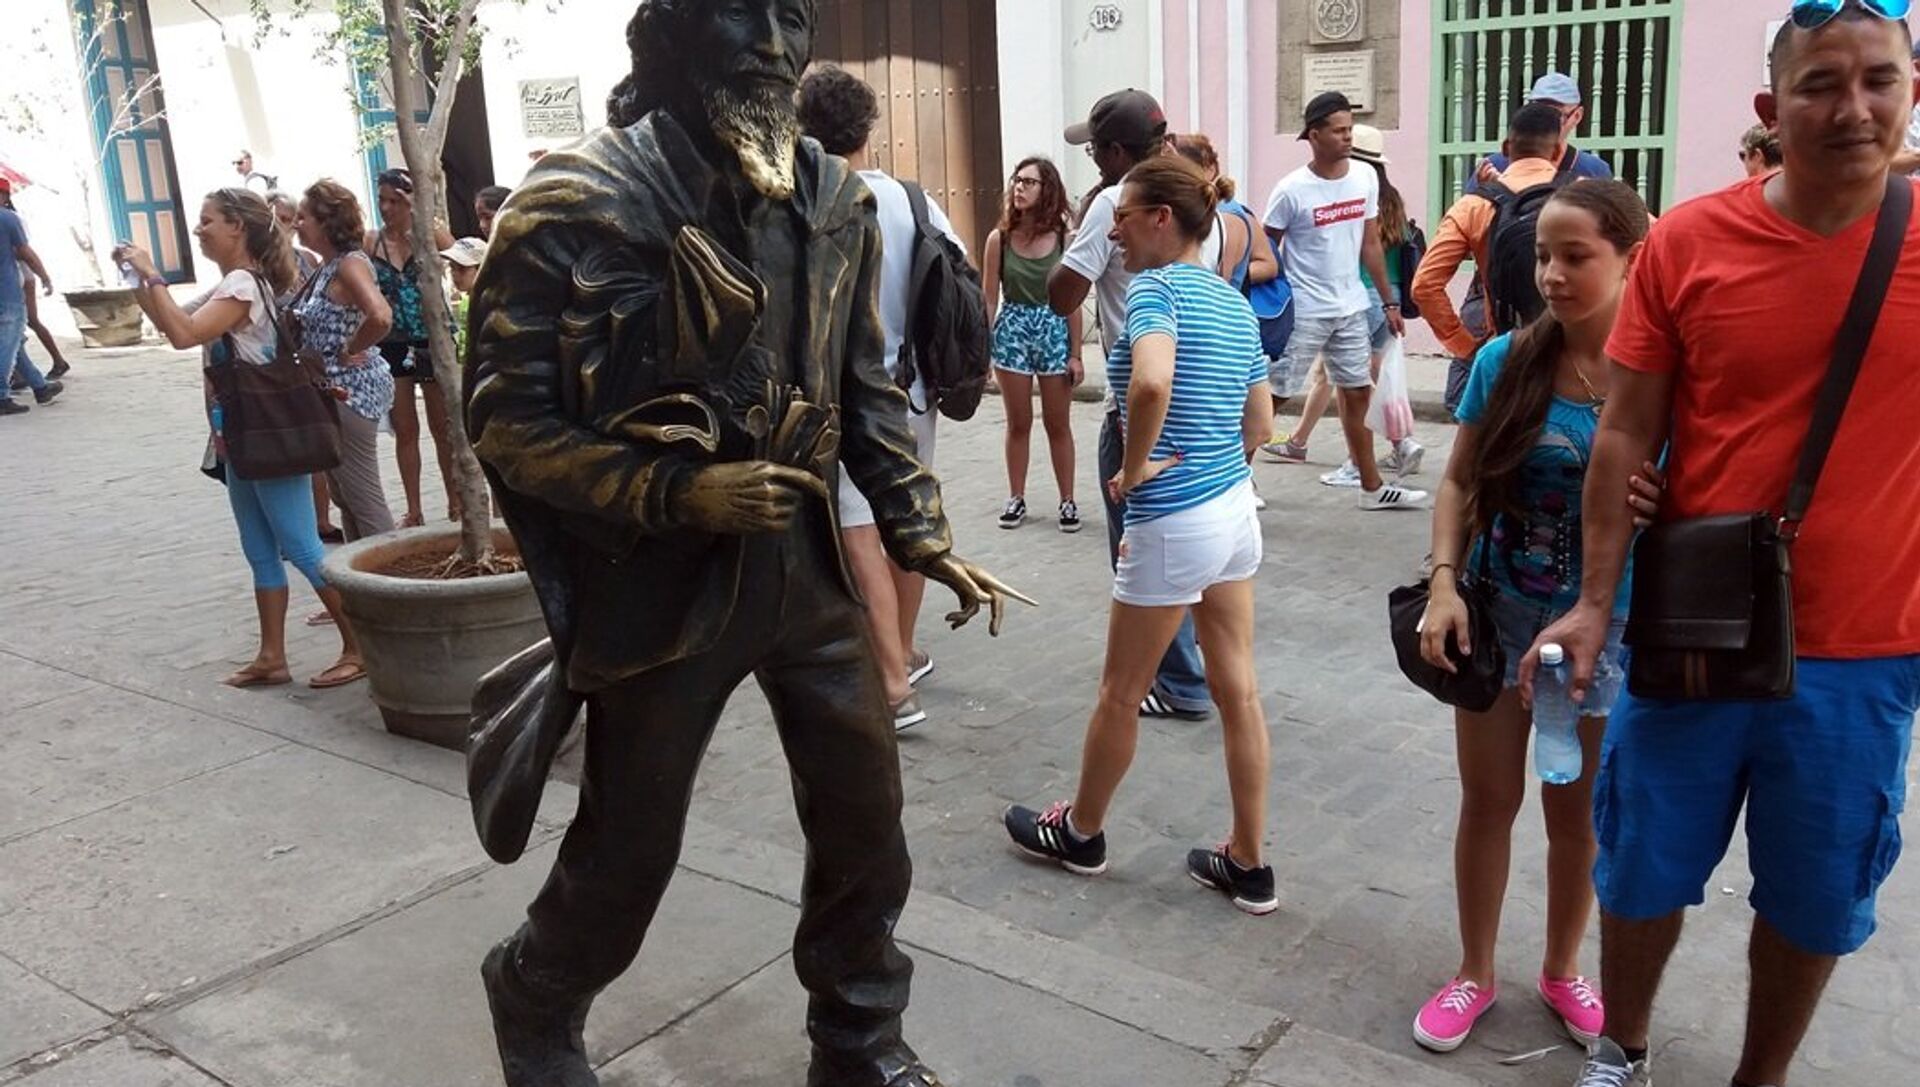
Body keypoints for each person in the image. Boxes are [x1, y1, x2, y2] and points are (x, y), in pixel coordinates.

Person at [465, 3, 1029, 1084]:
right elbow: (506, 419)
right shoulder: (579, 200)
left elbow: (863, 387)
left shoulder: (834, 198)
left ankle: (859, 1039)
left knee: (866, 818)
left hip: (808, 573)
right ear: (673, 32)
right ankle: (533, 994)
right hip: (664, 586)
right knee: (630, 849)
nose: (772, 43)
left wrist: (919, 532)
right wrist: (677, 489)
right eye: (739, 11)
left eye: (790, 16)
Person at [1523, 9, 1920, 1086]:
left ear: (1912, 90)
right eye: (1821, 84)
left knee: (1815, 893)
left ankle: (1761, 1077)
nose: (1853, 108)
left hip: (1865, 650)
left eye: (1879, 80)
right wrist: (1593, 602)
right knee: (1641, 863)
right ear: (1771, 108)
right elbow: (1624, 432)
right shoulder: (1690, 242)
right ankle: (1623, 1046)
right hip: (1694, 624)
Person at [1413, 180, 1651, 1056]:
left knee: (1576, 817)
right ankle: (1474, 970)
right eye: (1544, 256)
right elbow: (1457, 481)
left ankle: (1561, 968)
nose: (1552, 274)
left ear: (1632, 259)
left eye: (1575, 256)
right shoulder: (1504, 361)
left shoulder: (1661, 376)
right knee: (1488, 800)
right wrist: (1444, 584)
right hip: (1496, 614)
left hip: (1604, 633)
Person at [1004, 155, 1277, 912]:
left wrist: (1134, 468)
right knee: (1239, 691)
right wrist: (1216, 464)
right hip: (1233, 513)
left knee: (1120, 693)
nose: (1113, 230)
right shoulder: (1233, 302)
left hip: (1175, 520)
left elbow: (1152, 380)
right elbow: (1261, 421)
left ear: (1161, 218)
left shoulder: (1158, 290)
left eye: (1122, 216)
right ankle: (1249, 861)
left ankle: (1081, 832)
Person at [114, 189, 364, 689]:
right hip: (243, 433)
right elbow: (171, 323)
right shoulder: (235, 283)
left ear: (237, 227)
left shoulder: (243, 285)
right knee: (259, 548)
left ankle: (361, 646)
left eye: (207, 220)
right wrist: (142, 280)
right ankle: (272, 656)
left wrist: (153, 272)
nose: (198, 229)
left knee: (302, 546)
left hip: (267, 434)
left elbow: (184, 335)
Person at [795, 65, 967, 731]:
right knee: (906, 515)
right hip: (914, 389)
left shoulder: (807, 204)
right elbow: (956, 277)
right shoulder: (913, 201)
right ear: (869, 127)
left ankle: (892, 685)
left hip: (842, 396)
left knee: (857, 528)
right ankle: (904, 647)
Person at [1049, 87, 1215, 723]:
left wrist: (1079, 238)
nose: (1092, 160)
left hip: (1140, 404)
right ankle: (1208, 670)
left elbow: (1063, 295)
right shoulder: (1198, 196)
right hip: (1205, 398)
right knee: (1190, 539)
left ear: (1116, 152)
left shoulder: (1114, 204)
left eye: (1095, 149)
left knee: (1141, 545)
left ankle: (1174, 680)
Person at [1262, 92, 1425, 512]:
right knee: (1275, 392)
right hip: (1305, 310)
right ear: (1314, 135)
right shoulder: (1291, 190)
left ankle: (1372, 488)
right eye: (1338, 131)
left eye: (1350, 129)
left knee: (1356, 393)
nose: (1348, 137)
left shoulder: (1364, 178)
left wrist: (1390, 304)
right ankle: (1235, 482)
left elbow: (1370, 244)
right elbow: (1266, 248)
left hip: (1352, 308)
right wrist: (1269, 303)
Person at [1454, 73, 1615, 412]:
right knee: (1474, 398)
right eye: (1539, 108)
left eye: (1558, 113)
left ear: (1577, 116)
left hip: (1571, 305)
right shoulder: (1494, 165)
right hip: (1497, 298)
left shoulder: (1593, 170)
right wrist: (1465, 346)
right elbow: (1465, 234)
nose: (1547, 118)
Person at [1412, 103, 1570, 381]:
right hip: (1577, 352)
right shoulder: (1588, 196)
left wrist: (1465, 347)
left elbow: (1424, 287)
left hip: (1508, 352)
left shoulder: (1473, 206)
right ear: (1558, 150)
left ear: (1506, 148)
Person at [290, 180, 397, 550]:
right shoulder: (329, 265)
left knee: (363, 496)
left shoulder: (350, 265)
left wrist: (350, 348)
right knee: (345, 496)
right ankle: (362, 574)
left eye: (303, 216)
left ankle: (390, 572)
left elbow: (380, 316)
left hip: (349, 391)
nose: (296, 224)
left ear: (326, 222)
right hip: (331, 389)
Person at [982, 155, 1084, 534]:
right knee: (1018, 422)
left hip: (1053, 327)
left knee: (1058, 423)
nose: (1019, 188)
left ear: (1047, 189)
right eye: (1017, 180)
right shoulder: (1000, 239)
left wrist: (1076, 353)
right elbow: (989, 298)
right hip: (1013, 331)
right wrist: (984, 349)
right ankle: (1016, 496)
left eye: (1029, 182)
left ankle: (1067, 499)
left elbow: (1072, 300)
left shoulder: (1063, 240)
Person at [364, 167, 457, 528]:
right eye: (382, 200)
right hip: (391, 342)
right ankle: (414, 509)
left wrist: (419, 213)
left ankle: (455, 501)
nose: (387, 208)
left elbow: (458, 253)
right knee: (405, 428)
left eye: (395, 200)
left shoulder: (428, 234)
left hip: (431, 336)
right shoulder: (371, 242)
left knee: (442, 426)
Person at [0, 178, 60, 417]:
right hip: (6, 292)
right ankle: (1, 397)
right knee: (8, 345)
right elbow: (26, 253)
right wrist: (44, 276)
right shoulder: (7, 218)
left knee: (13, 344)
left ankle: (40, 387)